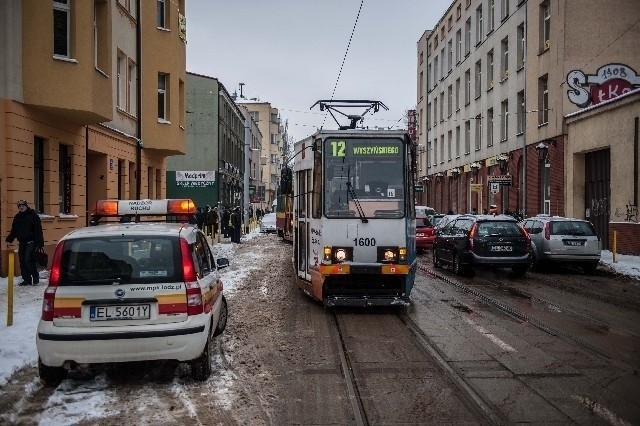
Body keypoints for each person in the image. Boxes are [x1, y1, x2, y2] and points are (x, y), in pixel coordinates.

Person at [5, 200, 44, 286]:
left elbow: (38, 230)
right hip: (22, 242)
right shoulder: (17, 217)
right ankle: (26, 279)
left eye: (23, 206)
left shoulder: (33, 216)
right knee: (22, 260)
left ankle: (35, 277)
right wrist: (9, 240)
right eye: (19, 206)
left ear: (26, 206)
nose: (21, 207)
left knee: (28, 259)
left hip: (31, 242)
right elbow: (14, 231)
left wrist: (40, 243)